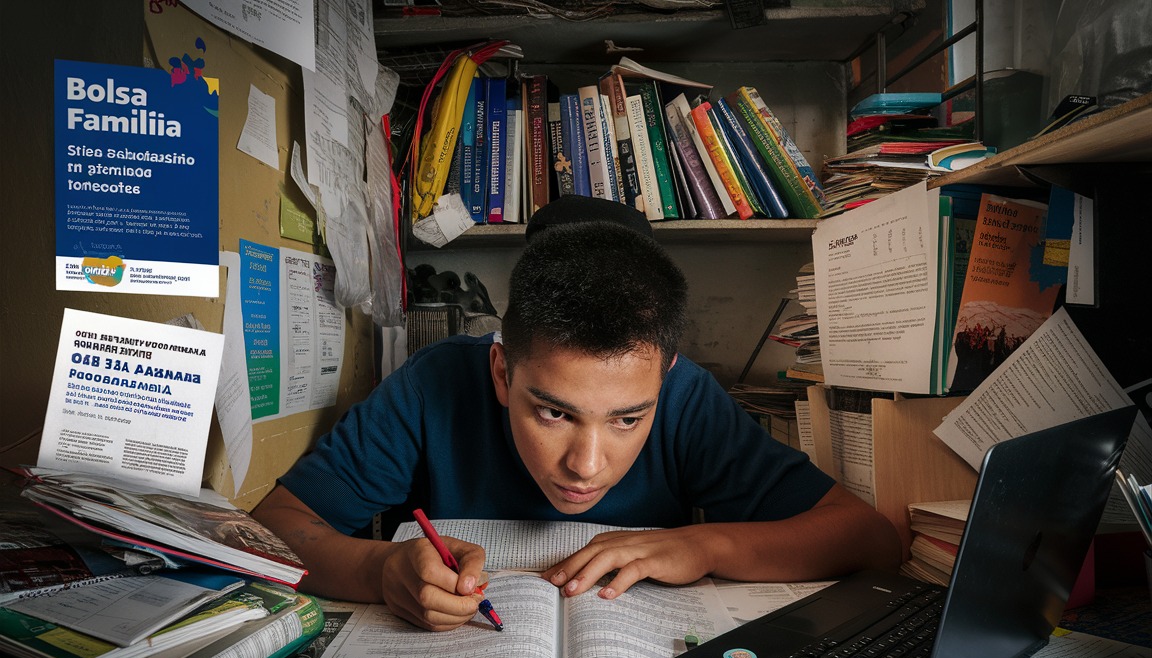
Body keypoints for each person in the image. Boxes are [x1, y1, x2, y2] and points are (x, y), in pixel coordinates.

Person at [251, 197, 901, 631]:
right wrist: (379, 568)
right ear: (502, 371)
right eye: (555, 413)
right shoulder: (435, 383)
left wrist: (704, 545)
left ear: (665, 377)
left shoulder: (688, 396)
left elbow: (870, 538)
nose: (585, 468)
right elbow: (268, 530)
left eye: (627, 419)